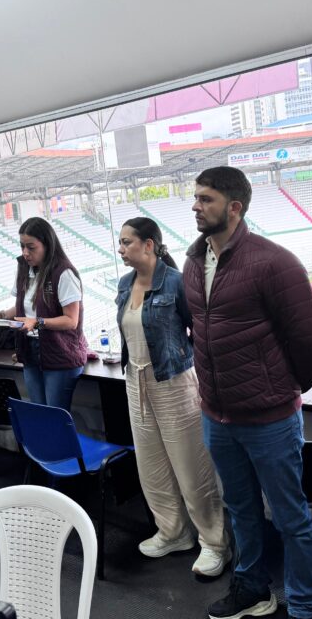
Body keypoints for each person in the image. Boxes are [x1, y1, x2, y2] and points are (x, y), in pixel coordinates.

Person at [183, 166, 312, 619]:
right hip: (217, 416)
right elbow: (197, 331)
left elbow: (310, 343)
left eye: (206, 199)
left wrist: (279, 390)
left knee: (290, 517)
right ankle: (252, 589)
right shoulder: (192, 261)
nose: (196, 206)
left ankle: (303, 606)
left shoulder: (274, 262)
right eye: (196, 198)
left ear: (234, 206)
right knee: (240, 509)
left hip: (269, 419)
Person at [115, 217, 228, 577]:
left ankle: (214, 544)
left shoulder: (176, 283)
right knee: (152, 468)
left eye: (127, 242)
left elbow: (200, 331)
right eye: (120, 243)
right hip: (136, 382)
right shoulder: (124, 284)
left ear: (149, 245)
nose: (121, 249)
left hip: (174, 383)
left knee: (191, 469)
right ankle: (173, 532)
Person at [0, 217, 87, 411]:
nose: (25, 253)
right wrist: (2, 315)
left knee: (54, 415)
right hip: (31, 350)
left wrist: (37, 322)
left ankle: (59, 443)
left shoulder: (64, 273)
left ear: (47, 244)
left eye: (31, 247)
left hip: (60, 353)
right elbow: (25, 308)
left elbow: (71, 320)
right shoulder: (23, 269)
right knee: (39, 412)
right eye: (22, 247)